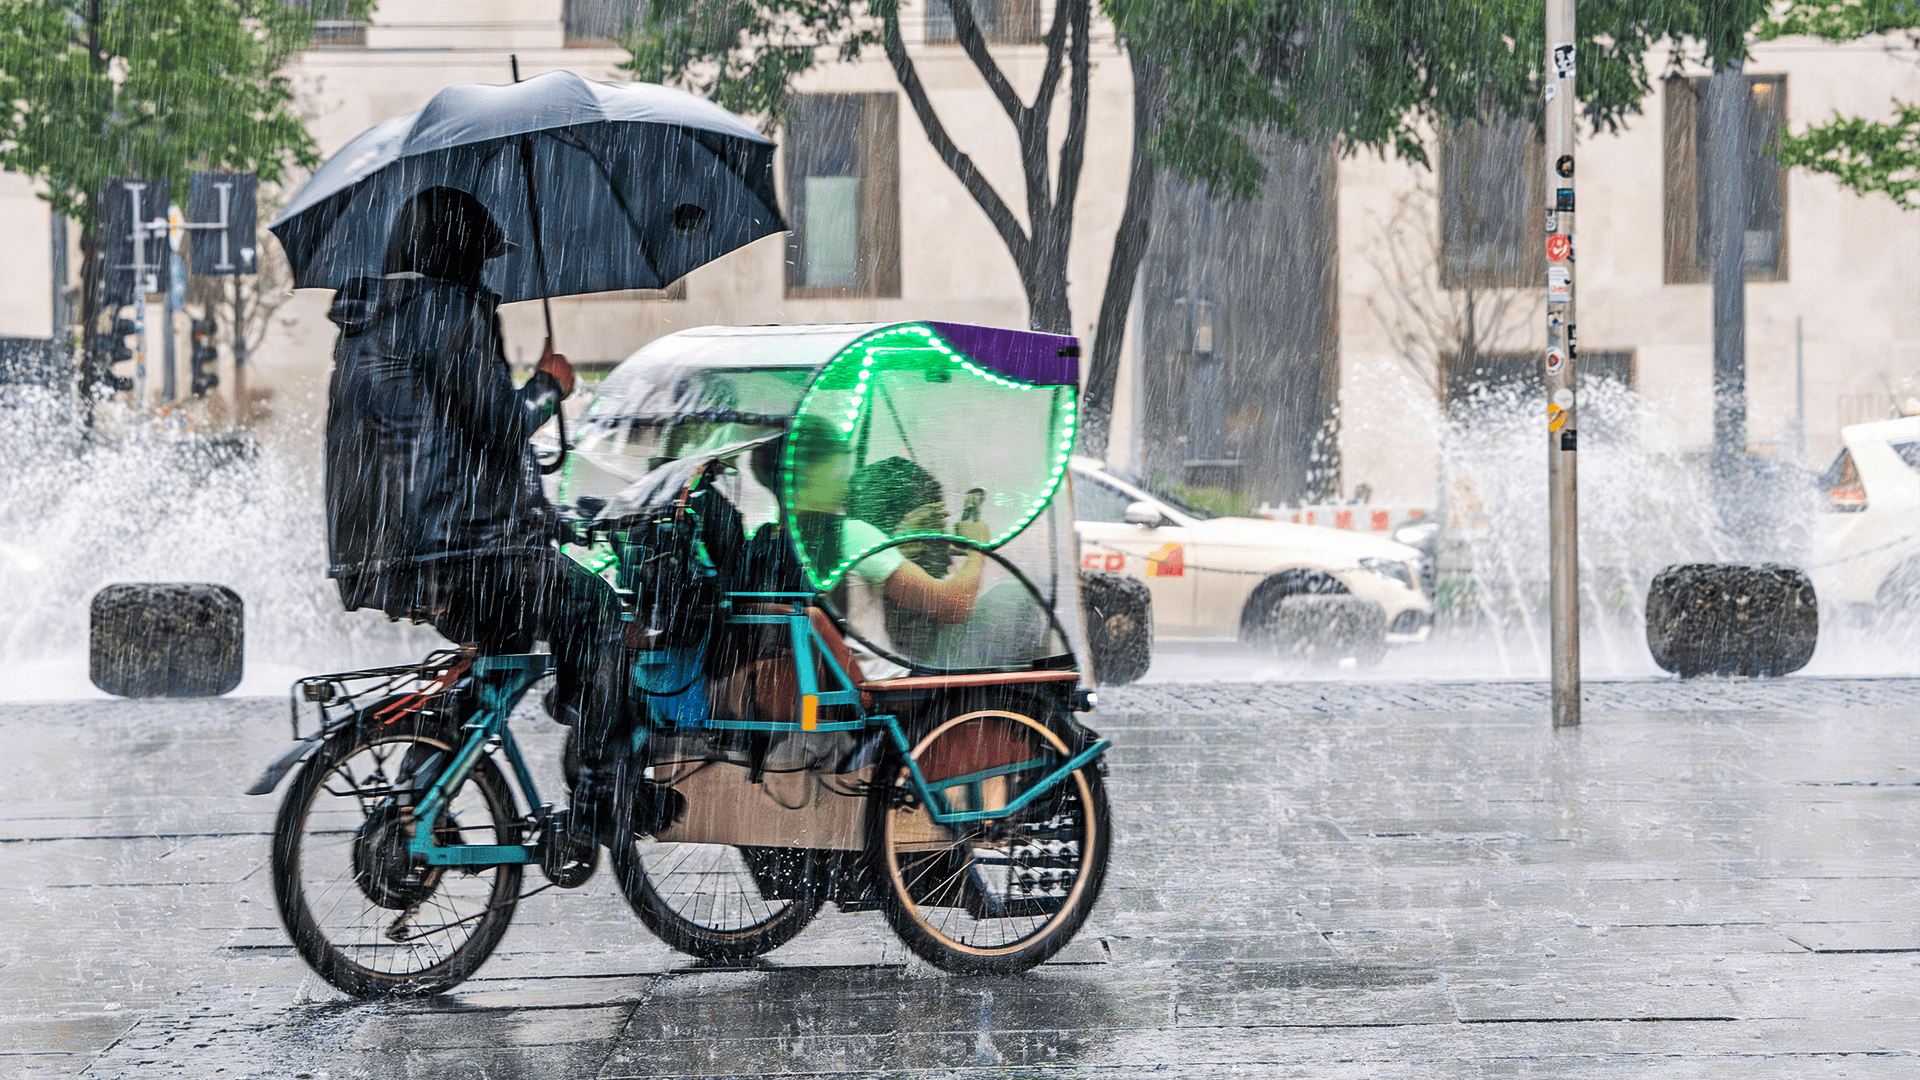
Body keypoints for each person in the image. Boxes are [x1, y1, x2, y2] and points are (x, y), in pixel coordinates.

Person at [323, 186, 627, 849]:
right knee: (600, 616)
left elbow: (435, 442)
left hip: (394, 552)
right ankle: (602, 786)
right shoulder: (449, 310)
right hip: (468, 548)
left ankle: (417, 801)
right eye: (481, 258)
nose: (487, 274)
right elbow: (499, 427)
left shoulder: (369, 317)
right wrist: (551, 385)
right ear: (459, 254)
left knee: (498, 664)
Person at [780, 417, 988, 680]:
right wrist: (977, 547)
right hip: (885, 683)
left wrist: (896, 545)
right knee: (1012, 599)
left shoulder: (772, 539)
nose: (845, 475)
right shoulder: (850, 534)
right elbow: (954, 607)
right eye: (837, 463)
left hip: (824, 678)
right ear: (808, 472)